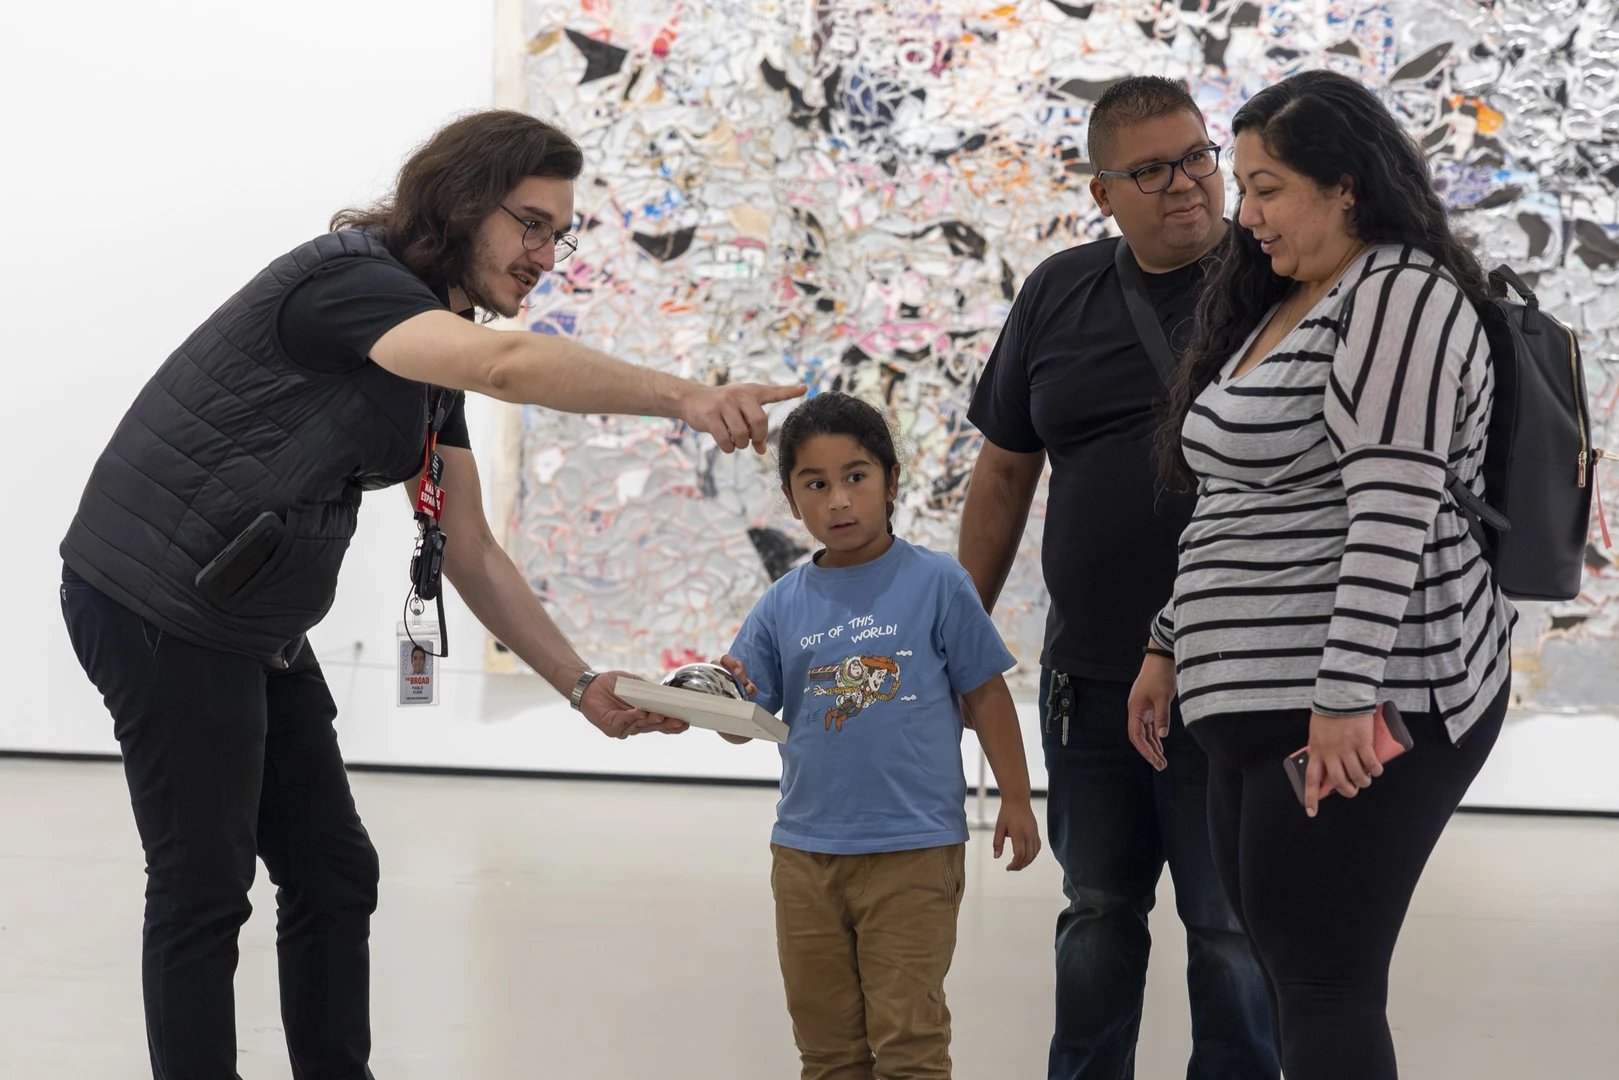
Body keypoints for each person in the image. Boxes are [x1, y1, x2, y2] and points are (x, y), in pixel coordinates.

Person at [57, 109, 802, 1080]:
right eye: (529, 223)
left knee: (331, 872)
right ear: (459, 202)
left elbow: (469, 545)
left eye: (558, 234)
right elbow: (507, 363)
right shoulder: (350, 287)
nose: (545, 253)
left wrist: (581, 687)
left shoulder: (426, 348)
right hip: (157, 602)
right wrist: (685, 395)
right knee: (203, 884)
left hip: (251, 621)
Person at [1127, 69, 1513, 1080]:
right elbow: (1237, 502)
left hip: (1365, 702)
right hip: (1255, 704)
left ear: (1343, 184)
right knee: (1289, 969)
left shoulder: (1399, 298)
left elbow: (1390, 513)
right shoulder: (1292, 302)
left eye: (1266, 189)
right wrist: (1169, 642)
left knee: (1323, 982)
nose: (1241, 214)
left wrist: (1344, 698)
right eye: (1242, 186)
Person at [961, 76, 1277, 1078]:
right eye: (1149, 170)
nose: (1184, 183)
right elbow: (1005, 470)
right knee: (1095, 909)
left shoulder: (1278, 281)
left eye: (1196, 157)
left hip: (1234, 675)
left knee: (1230, 925)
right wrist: (955, 631)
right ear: (1102, 193)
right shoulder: (1057, 291)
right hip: (1087, 677)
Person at [714, 391, 1042, 1080]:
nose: (838, 500)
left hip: (913, 850)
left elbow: (984, 694)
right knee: (826, 1049)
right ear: (791, 498)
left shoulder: (938, 583)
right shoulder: (779, 604)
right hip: (804, 854)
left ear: (891, 480)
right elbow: (752, 723)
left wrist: (1016, 795)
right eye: (816, 484)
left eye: (855, 477)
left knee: (909, 1043)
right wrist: (728, 699)